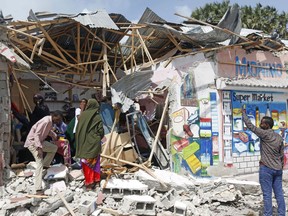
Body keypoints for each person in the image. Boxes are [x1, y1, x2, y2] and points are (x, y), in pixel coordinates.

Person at [242, 108, 286, 215]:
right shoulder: (279, 137)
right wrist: (280, 166)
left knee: (267, 194)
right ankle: (281, 214)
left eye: (262, 123)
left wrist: (243, 114)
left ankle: (268, 214)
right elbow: (281, 155)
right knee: (279, 194)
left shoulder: (264, 134)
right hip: (278, 170)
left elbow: (250, 126)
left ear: (267, 125)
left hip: (266, 169)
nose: (260, 124)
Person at [24, 111, 62, 195]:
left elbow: (48, 131)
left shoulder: (50, 121)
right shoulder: (46, 121)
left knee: (54, 148)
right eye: (57, 119)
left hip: (40, 142)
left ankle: (45, 166)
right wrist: (39, 148)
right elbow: (36, 134)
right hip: (33, 143)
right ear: (54, 116)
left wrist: (55, 136)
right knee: (39, 163)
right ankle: (38, 189)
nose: (58, 121)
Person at [75, 99, 104, 190]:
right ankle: (97, 181)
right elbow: (101, 130)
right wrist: (98, 137)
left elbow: (78, 129)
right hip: (94, 142)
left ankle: (89, 184)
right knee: (95, 162)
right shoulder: (97, 116)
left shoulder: (82, 115)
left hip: (84, 142)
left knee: (86, 163)